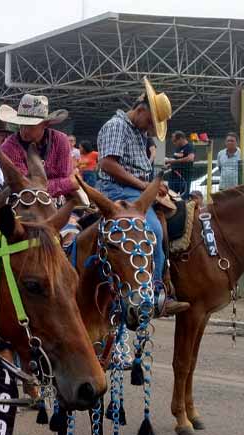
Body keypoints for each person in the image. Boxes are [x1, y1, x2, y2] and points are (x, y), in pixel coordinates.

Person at [96, 78, 188, 316]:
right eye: (149, 121)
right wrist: (145, 186)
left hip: (137, 189)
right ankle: (156, 294)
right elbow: (107, 164)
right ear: (140, 110)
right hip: (117, 191)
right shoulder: (116, 126)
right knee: (153, 230)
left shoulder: (136, 131)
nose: (149, 127)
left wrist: (152, 187)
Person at [0, 94, 77, 198]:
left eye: (30, 126)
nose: (24, 130)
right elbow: (24, 186)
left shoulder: (60, 140)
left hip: (59, 202)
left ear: (45, 124)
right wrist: (66, 183)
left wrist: (69, 183)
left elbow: (65, 176)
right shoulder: (8, 147)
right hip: (23, 204)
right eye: (21, 125)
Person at [166, 131, 196, 198]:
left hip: (184, 177)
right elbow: (175, 161)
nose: (174, 143)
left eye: (175, 141)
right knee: (171, 196)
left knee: (183, 197)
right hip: (173, 176)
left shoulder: (189, 147)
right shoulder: (177, 148)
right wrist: (169, 164)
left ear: (181, 139)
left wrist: (173, 162)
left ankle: (182, 208)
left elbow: (190, 158)